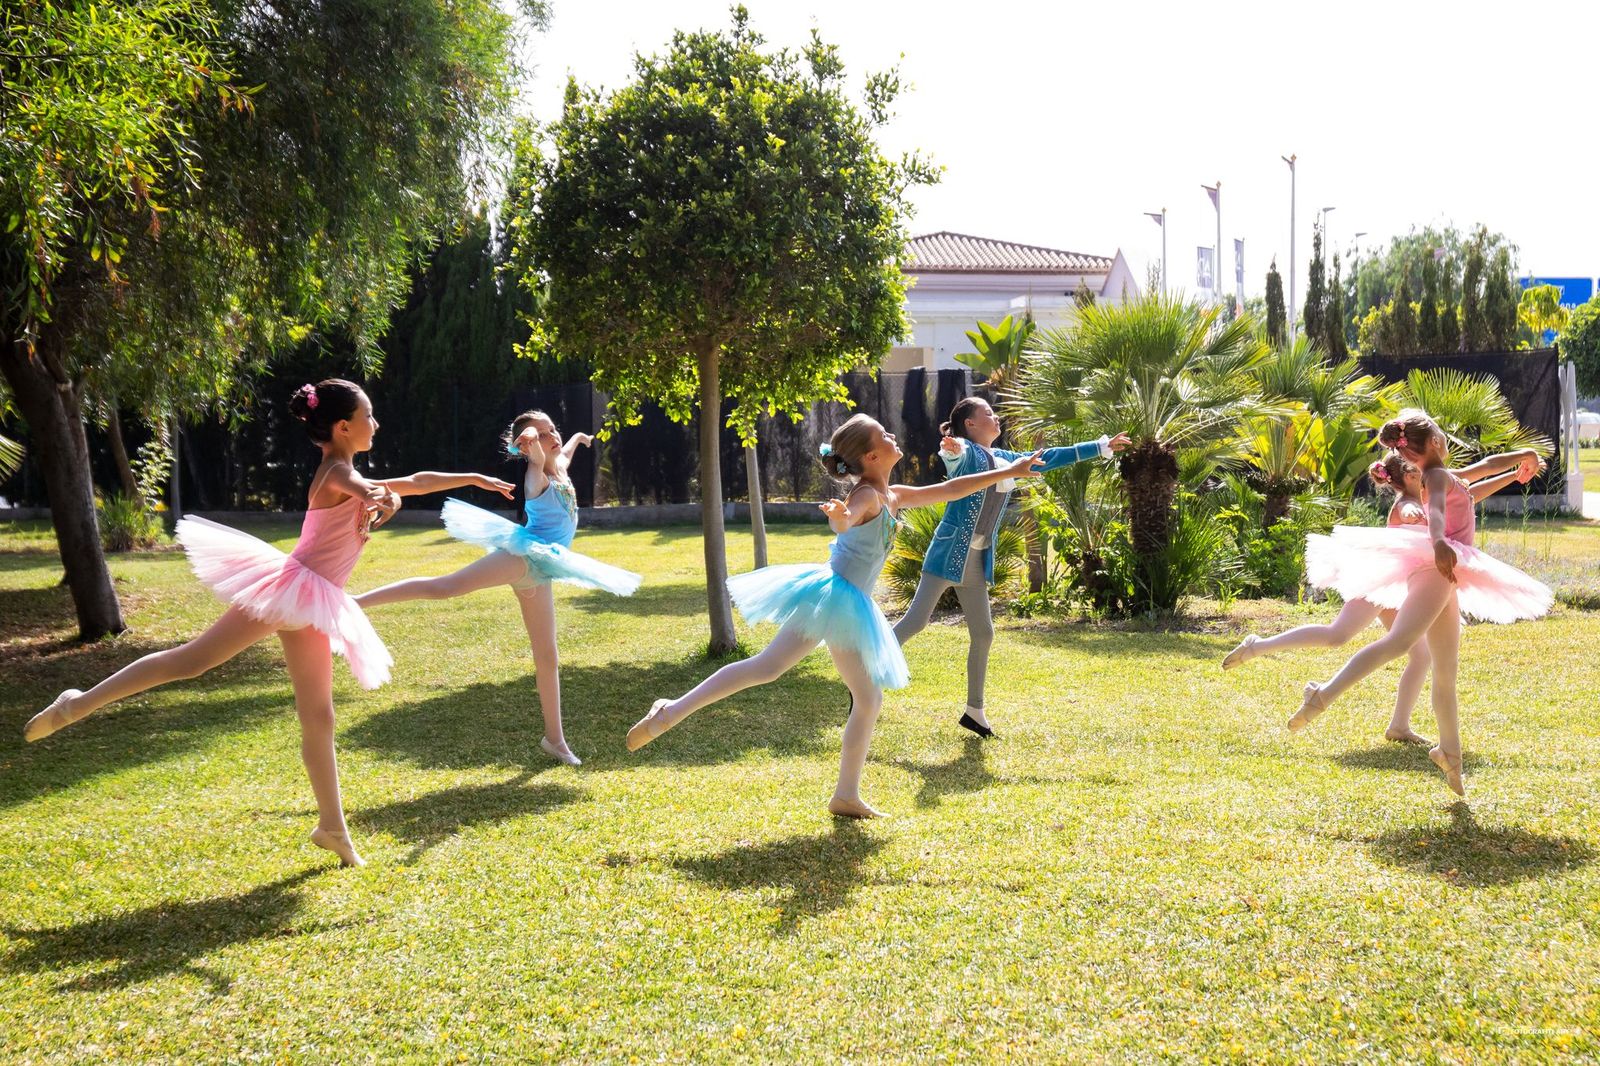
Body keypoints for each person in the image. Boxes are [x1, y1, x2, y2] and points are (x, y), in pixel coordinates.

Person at [24, 379, 514, 866]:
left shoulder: (348, 469)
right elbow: (364, 488)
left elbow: (414, 481)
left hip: (316, 601)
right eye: (369, 415)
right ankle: (76, 703)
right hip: (291, 589)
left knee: (319, 716)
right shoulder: (335, 475)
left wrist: (471, 477)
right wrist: (381, 498)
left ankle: (333, 828)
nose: (376, 423)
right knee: (193, 661)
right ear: (344, 427)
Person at [625, 413, 1047, 818]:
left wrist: (1011, 471)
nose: (893, 437)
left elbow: (954, 489)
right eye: (884, 435)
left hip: (849, 603)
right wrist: (841, 519)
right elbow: (847, 520)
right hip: (833, 598)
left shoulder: (892, 494)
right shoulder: (865, 495)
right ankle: (671, 711)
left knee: (852, 694)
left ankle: (845, 794)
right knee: (776, 670)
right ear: (870, 457)